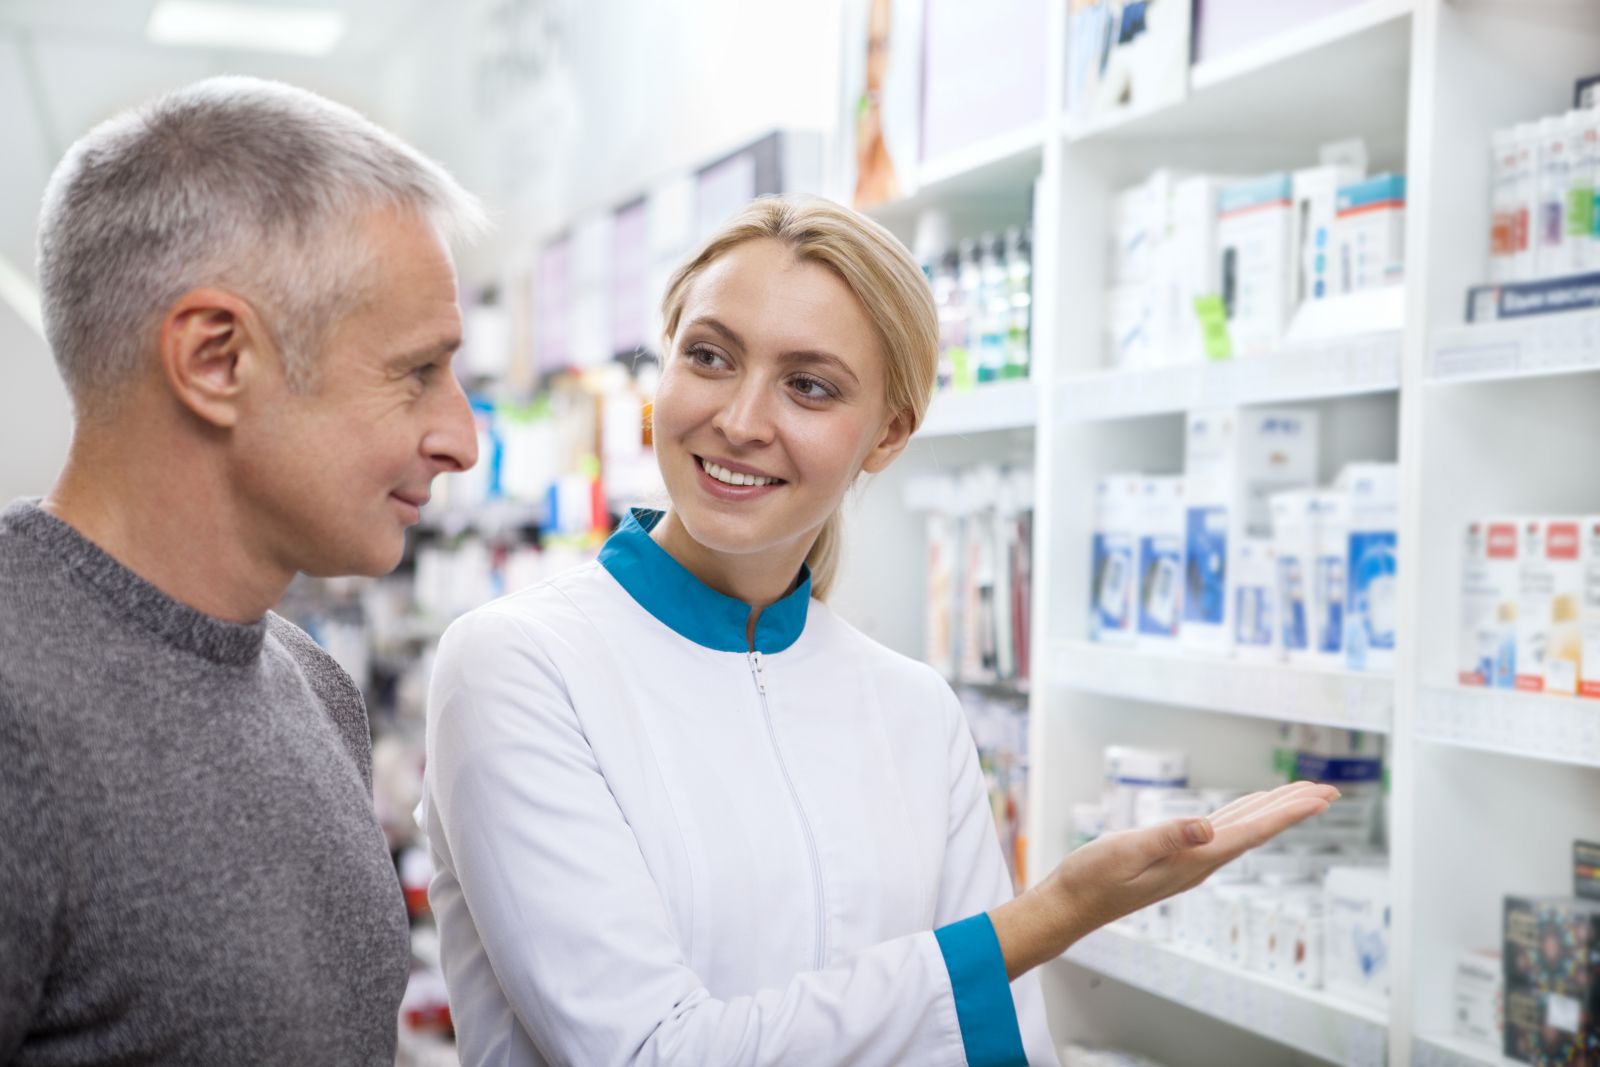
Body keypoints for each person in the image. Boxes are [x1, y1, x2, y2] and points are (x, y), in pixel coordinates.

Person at [420, 195, 1340, 1066]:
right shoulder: (519, 663)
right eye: (709, 356)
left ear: (889, 435)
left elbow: (991, 1043)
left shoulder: (911, 707)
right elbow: (650, 1051)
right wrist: (1049, 915)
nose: (740, 420)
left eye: (810, 387)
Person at [0, 77, 484, 1064]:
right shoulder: (16, 711)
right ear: (216, 358)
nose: (461, 437)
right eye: (416, 372)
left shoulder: (313, 688)